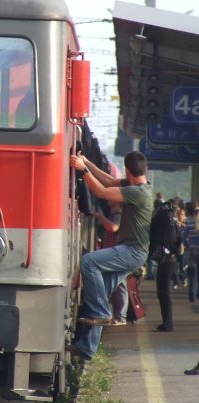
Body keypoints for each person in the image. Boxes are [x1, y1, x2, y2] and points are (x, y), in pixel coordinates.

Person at [67, 150, 153, 361]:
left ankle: (100, 313)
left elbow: (102, 192)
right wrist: (87, 161)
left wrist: (83, 169)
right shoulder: (139, 186)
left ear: (127, 169)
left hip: (132, 252)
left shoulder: (137, 193)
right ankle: (87, 347)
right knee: (101, 292)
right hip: (134, 252)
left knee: (89, 262)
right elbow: (109, 181)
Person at [149, 200, 183, 332]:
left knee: (163, 292)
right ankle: (167, 323)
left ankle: (167, 324)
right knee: (164, 292)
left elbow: (156, 237)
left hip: (166, 261)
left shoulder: (163, 219)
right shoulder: (172, 220)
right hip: (171, 260)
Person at [95, 203, 127, 325]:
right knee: (117, 284)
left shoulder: (118, 215)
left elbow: (113, 227)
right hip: (112, 252)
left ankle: (120, 317)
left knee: (119, 285)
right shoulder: (114, 214)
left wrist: (101, 217)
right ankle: (117, 315)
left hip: (116, 253)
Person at [183, 202, 199, 305]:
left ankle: (192, 296)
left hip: (192, 250)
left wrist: (188, 245)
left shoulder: (189, 222)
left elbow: (183, 236)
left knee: (192, 274)